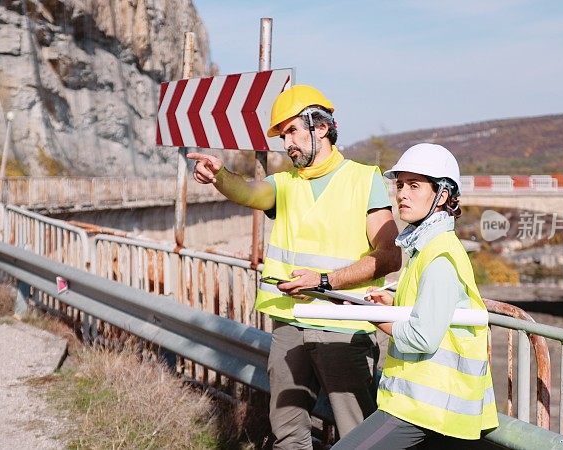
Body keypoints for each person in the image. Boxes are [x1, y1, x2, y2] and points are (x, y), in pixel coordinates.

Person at [187, 84, 402, 448]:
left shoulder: (364, 180)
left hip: (344, 327)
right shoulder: (284, 183)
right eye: (283, 136)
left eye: (291, 132)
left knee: (356, 433)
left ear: (320, 128)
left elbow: (389, 254)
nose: (287, 144)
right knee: (287, 428)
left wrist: (324, 280)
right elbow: (249, 193)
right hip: (290, 326)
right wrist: (220, 177)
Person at [332, 143, 498, 449]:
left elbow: (423, 336)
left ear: (443, 195)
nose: (401, 194)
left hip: (427, 408)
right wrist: (393, 306)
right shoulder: (424, 248)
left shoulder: (440, 256)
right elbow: (430, 312)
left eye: (414, 185)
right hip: (421, 405)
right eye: (399, 185)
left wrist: (374, 317)